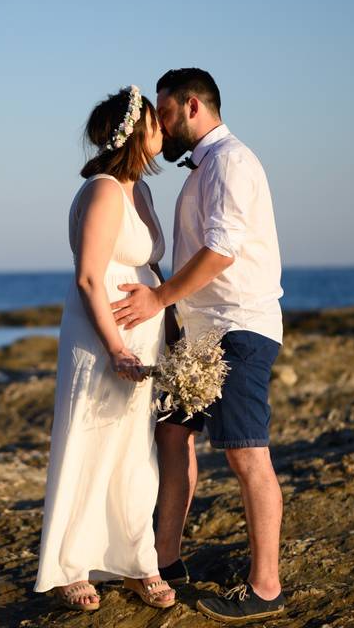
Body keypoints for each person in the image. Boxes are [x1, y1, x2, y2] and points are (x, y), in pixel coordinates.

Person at [110, 68, 287, 623]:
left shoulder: (232, 161)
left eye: (163, 113)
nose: (159, 124)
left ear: (190, 106)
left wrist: (159, 298)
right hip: (199, 335)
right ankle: (167, 558)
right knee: (171, 434)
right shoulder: (203, 169)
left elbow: (222, 252)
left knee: (246, 452)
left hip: (239, 329)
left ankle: (265, 587)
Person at [33, 85, 176, 611]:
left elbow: (148, 266)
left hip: (142, 335)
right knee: (89, 443)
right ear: (134, 132)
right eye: (154, 123)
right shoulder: (102, 190)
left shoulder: (141, 190)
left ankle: (137, 562)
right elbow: (91, 278)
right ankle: (71, 566)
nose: (163, 128)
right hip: (101, 340)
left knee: (134, 451)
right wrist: (116, 348)